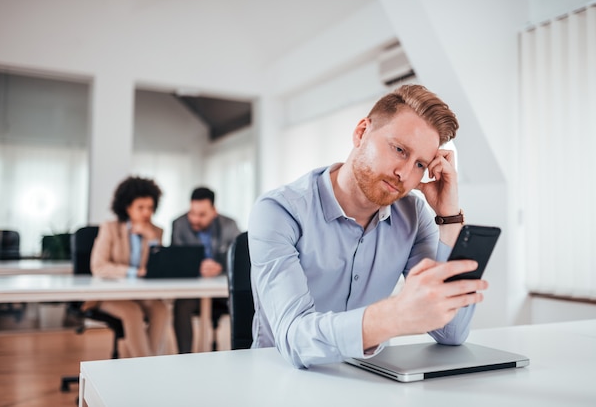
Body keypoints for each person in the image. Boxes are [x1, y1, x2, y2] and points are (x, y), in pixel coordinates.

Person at [248, 84, 489, 369]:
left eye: (420, 165)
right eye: (399, 149)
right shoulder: (279, 210)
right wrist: (394, 316)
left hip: (369, 379)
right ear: (362, 132)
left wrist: (448, 218)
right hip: (280, 377)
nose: (404, 174)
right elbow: (294, 338)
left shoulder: (413, 215)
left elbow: (451, 332)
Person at [89, 176, 170, 358]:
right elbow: (99, 266)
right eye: (140, 208)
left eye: (150, 208)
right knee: (132, 312)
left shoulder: (156, 231)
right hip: (110, 294)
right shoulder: (110, 228)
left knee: (161, 309)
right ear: (127, 207)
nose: (146, 213)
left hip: (139, 293)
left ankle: (146, 361)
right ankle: (147, 367)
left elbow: (158, 268)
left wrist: (152, 241)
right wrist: (134, 272)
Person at [171, 187, 240, 353]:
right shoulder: (179, 224)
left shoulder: (230, 225)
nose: (195, 219)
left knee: (241, 302)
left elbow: (239, 256)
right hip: (193, 291)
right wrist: (196, 267)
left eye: (202, 215)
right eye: (192, 213)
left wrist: (221, 266)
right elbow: (174, 259)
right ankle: (185, 357)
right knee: (182, 306)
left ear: (214, 211)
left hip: (221, 291)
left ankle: (241, 353)